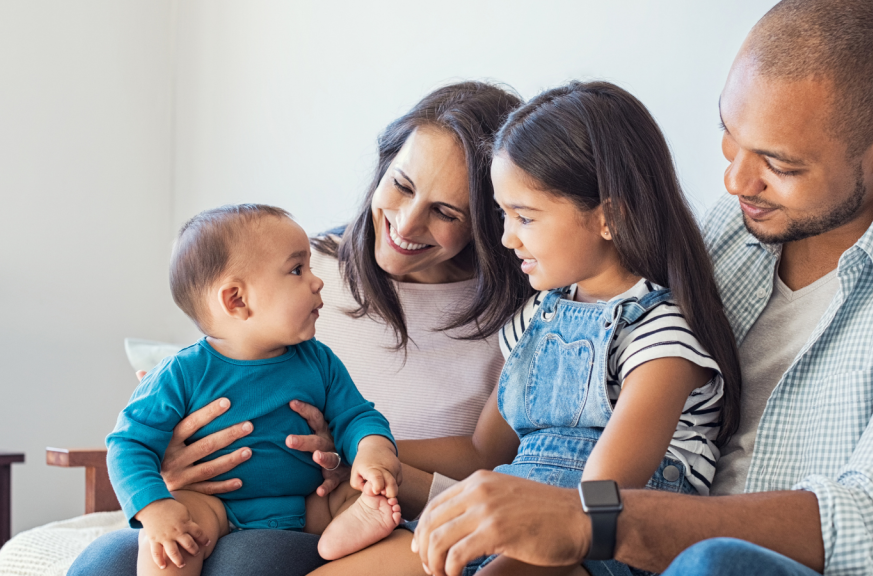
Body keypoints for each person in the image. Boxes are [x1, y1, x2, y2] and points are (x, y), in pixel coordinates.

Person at [410, 1, 873, 575]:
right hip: (647, 552)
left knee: (714, 563)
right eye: (729, 137)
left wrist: (593, 519)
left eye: (779, 165)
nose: (735, 180)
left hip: (734, 560)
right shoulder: (740, 222)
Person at [68, 82, 531, 576]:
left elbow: (490, 460)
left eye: (445, 212)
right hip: (226, 497)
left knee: (247, 562)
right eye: (401, 184)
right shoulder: (295, 270)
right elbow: (216, 368)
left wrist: (354, 452)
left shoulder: (521, 319)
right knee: (104, 561)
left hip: (353, 506)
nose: (406, 223)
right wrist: (166, 470)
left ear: (491, 218)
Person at [310, 81, 743, 576]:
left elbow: (597, 505)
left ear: (610, 219)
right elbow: (482, 452)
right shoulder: (537, 318)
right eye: (502, 213)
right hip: (507, 516)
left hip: (591, 544)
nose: (504, 237)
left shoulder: (659, 339)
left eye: (525, 217)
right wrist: (367, 455)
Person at [107, 204, 405, 575]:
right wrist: (155, 510)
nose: (317, 281)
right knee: (169, 546)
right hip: (215, 506)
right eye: (298, 270)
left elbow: (356, 415)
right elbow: (128, 444)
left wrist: (372, 451)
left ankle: (345, 531)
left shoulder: (319, 361)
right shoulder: (182, 373)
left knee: (363, 497)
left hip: (310, 501)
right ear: (237, 300)